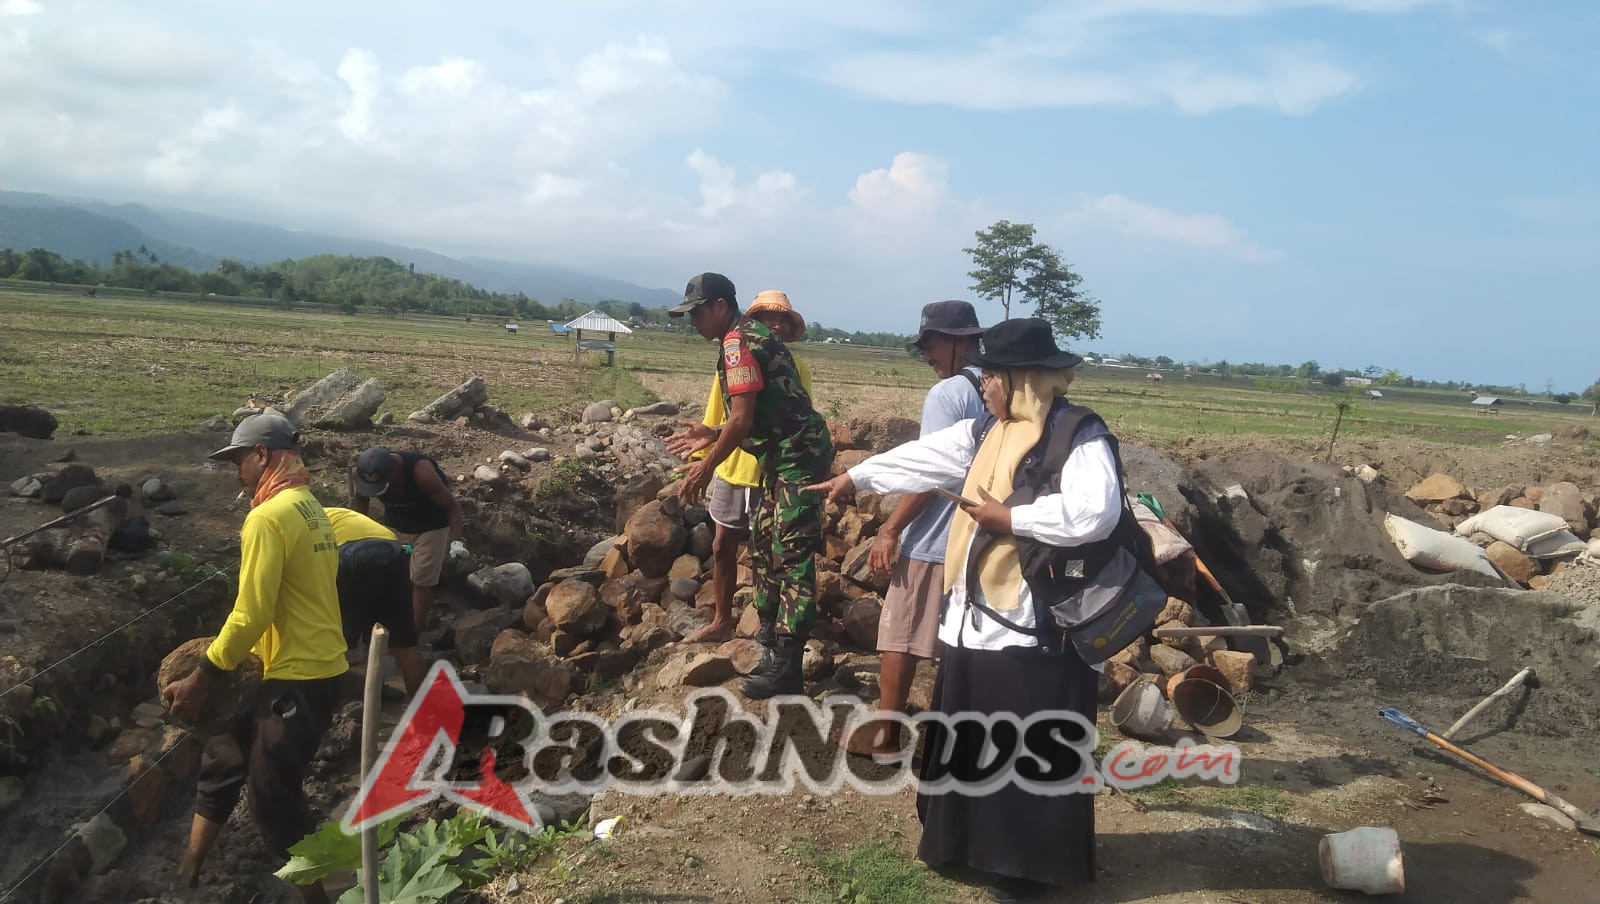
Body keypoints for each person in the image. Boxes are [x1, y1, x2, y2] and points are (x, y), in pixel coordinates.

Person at [807, 318, 1127, 902]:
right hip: (974, 618)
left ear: (1022, 378)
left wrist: (1014, 520)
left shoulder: (1079, 435)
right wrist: (855, 477)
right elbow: (928, 457)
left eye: (993, 376)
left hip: (1034, 627)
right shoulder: (988, 430)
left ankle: (1025, 867)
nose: (982, 384)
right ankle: (962, 841)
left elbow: (1096, 513)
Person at [163, 412, 348, 904]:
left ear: (262, 455)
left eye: (239, 460)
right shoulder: (309, 506)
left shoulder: (267, 517)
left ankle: (318, 898)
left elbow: (250, 612)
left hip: (298, 677)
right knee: (223, 757)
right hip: (297, 667)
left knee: (271, 799)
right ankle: (189, 871)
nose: (236, 472)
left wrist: (203, 676)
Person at [665, 273, 833, 698]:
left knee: (790, 554)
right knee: (763, 544)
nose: (694, 322)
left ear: (721, 306)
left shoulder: (738, 342)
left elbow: (743, 420)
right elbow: (758, 412)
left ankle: (789, 667)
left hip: (798, 459)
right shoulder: (745, 336)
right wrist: (712, 432)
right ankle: (771, 648)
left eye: (697, 313)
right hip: (781, 456)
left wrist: (705, 467)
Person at [839, 300, 985, 757]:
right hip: (982, 539)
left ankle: (886, 736)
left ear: (961, 341)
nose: (926, 356)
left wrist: (891, 529)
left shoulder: (949, 394)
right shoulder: (1002, 388)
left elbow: (931, 471)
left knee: (899, 635)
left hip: (937, 537)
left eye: (932, 344)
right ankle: (958, 739)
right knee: (965, 644)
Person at [676, 289, 816, 644]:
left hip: (776, 466)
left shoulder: (748, 349)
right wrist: (707, 442)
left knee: (774, 553)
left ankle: (777, 640)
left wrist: (704, 467)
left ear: (721, 307)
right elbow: (727, 415)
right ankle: (735, 624)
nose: (776, 326)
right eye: (769, 318)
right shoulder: (737, 349)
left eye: (783, 319)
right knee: (725, 545)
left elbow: (757, 421)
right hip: (736, 463)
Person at [348, 447, 467, 638]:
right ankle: (382, 624)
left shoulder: (422, 473)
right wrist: (358, 537)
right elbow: (361, 507)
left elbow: (452, 506)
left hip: (431, 527)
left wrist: (456, 541)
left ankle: (412, 635)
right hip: (397, 527)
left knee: (421, 578)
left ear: (395, 471)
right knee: (392, 574)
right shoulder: (364, 475)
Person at [325, 506, 428, 696]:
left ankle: (348, 707)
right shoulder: (326, 512)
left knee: (335, 643)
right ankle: (425, 714)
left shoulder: (278, 526)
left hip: (352, 554)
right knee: (405, 645)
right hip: (392, 549)